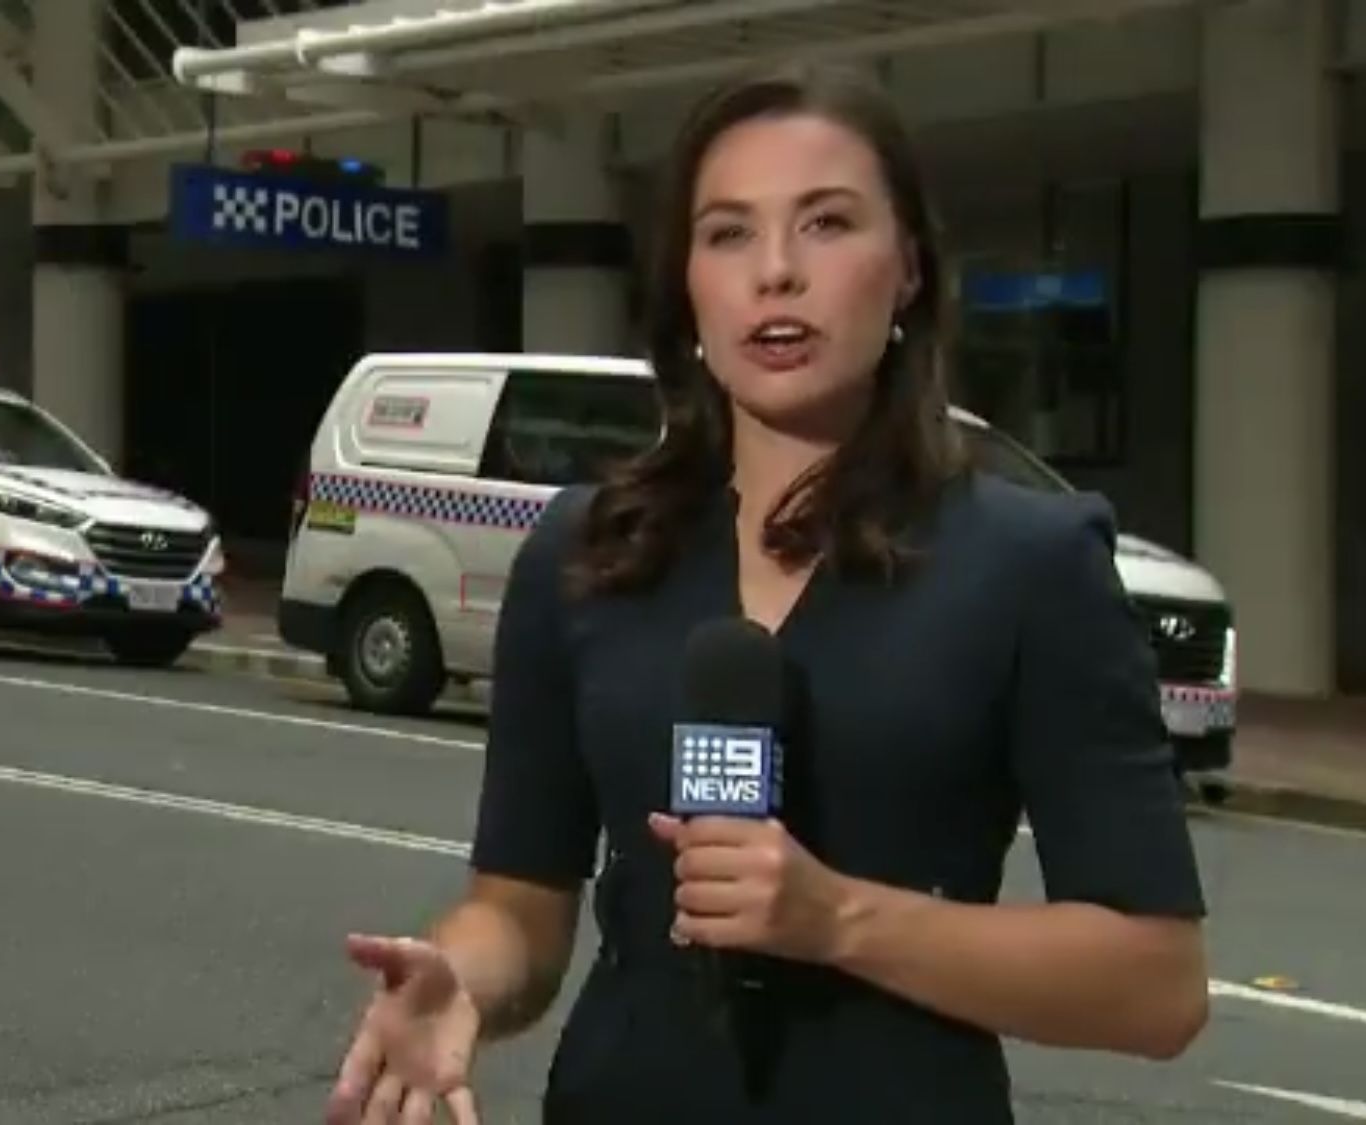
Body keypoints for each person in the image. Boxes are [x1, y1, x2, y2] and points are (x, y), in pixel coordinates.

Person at [325, 61, 1209, 1125]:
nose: (776, 272)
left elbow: (1156, 986)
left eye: (826, 223)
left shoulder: (1032, 562)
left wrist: (836, 919)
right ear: (687, 284)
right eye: (729, 233)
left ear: (909, 269)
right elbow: (520, 908)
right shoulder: (585, 553)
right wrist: (462, 977)